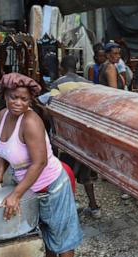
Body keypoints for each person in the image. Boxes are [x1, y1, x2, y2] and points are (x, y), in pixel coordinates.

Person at [0, 73, 82, 257]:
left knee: (61, 230)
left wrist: (16, 194)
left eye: (24, 99)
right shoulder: (2, 116)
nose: (18, 103)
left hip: (51, 184)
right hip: (28, 186)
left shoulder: (31, 121)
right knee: (42, 227)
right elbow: (3, 149)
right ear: (5, 96)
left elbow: (38, 163)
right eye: (13, 97)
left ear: (30, 101)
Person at [53, 55, 102, 218]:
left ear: (61, 67)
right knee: (86, 173)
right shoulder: (88, 84)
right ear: (77, 66)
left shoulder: (57, 84)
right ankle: (94, 208)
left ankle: (69, 205)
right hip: (86, 136)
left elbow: (51, 108)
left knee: (68, 172)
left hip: (68, 136)